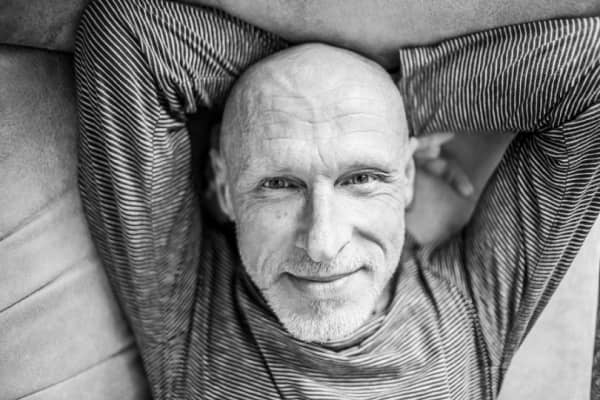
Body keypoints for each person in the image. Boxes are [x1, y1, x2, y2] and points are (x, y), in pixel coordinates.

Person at [74, 0, 600, 398]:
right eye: (279, 184)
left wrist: (377, 105)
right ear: (225, 187)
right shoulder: (185, 313)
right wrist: (334, 101)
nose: (322, 244)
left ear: (407, 177)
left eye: (361, 177)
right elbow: (127, 38)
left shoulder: (473, 311)